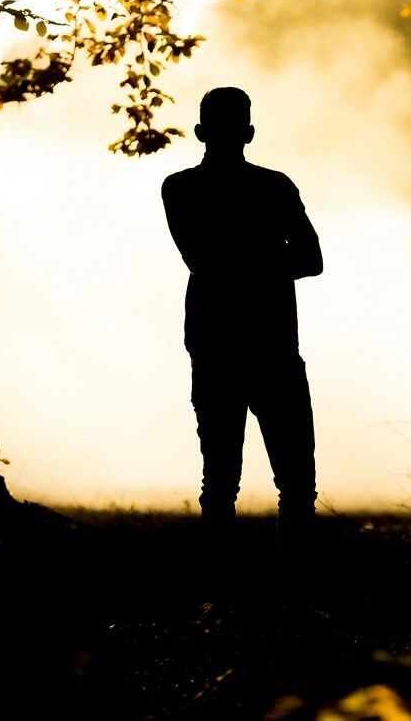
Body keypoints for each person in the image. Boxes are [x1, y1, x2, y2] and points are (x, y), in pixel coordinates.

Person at [162, 87, 322, 567]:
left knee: (220, 477)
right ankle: (293, 580)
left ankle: (220, 582)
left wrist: (238, 261)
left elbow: (205, 260)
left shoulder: (181, 188)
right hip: (271, 345)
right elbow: (309, 259)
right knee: (295, 480)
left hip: (215, 346)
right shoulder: (274, 187)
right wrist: (271, 259)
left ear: (199, 132)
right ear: (250, 132)